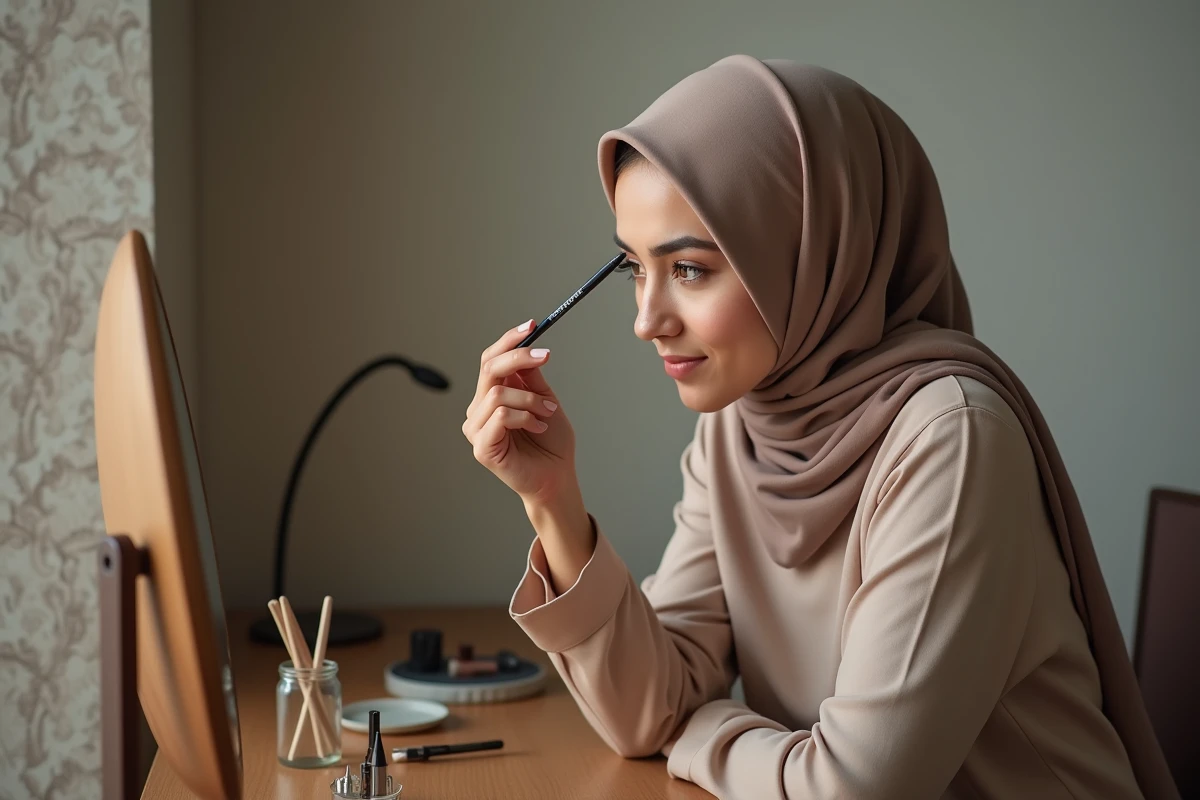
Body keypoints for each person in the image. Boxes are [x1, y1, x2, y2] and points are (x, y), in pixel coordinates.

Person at [461, 55, 1177, 799]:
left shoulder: (952, 440)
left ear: (810, 252)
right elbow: (651, 709)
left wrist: (700, 729)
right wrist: (551, 500)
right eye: (633, 268)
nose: (647, 321)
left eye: (692, 269)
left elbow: (849, 788)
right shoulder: (744, 422)